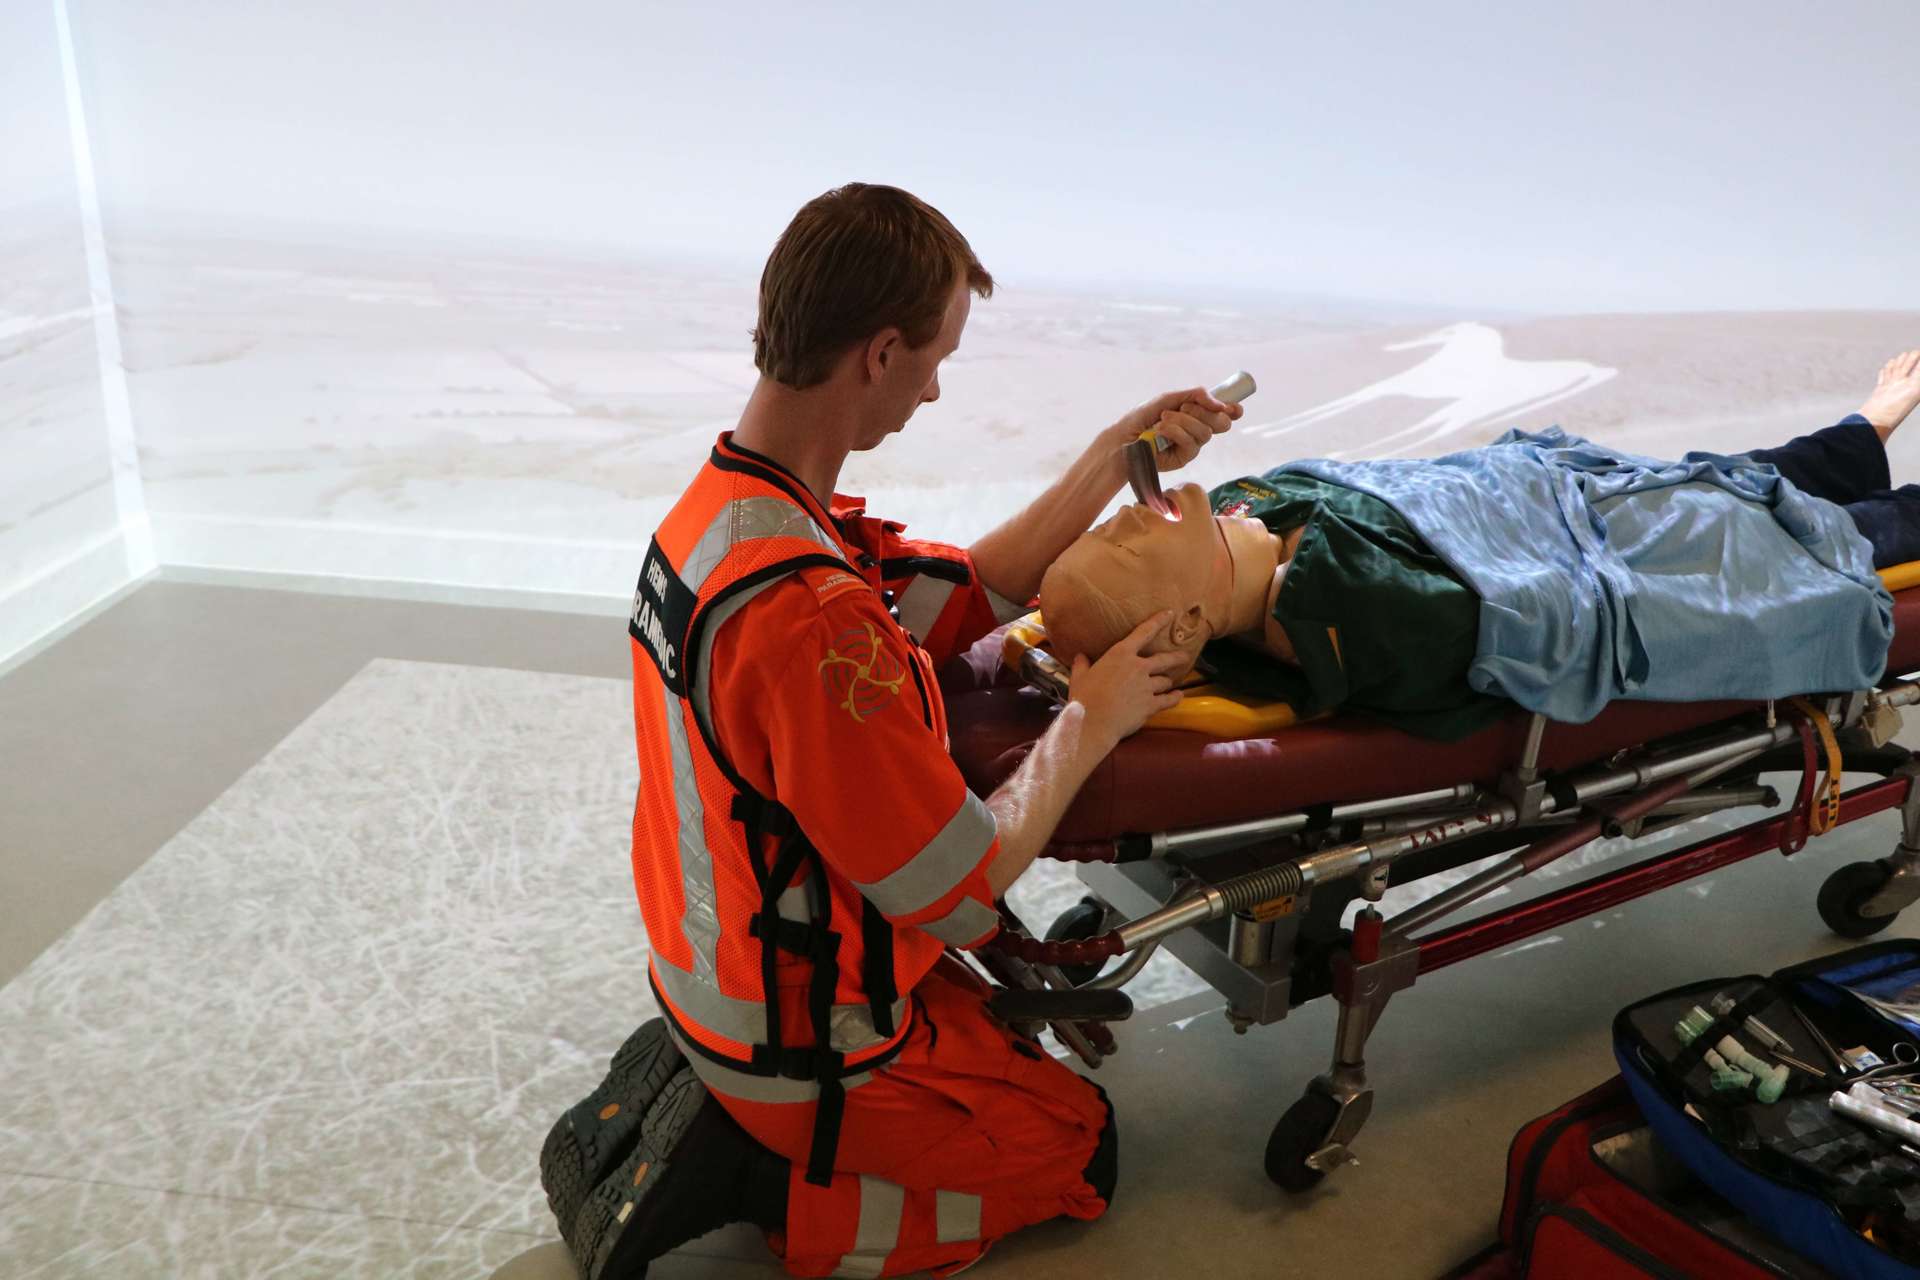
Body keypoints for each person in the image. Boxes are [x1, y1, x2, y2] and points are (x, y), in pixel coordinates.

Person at [539, 182, 1242, 1279]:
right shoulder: (809, 614)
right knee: (1081, 1149)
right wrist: (1092, 719)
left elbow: (963, 592)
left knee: (999, 1050)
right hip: (805, 1037)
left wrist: (1117, 453)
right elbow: (959, 885)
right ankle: (783, 1184)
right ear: (878, 353)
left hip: (723, 970)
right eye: (934, 359)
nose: (933, 388)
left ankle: (755, 1105)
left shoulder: (725, 516)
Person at [1038, 349, 1920, 739]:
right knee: (1804, 529)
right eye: (1122, 547)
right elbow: (1540, 611)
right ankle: (1869, 453)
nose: (1117, 516)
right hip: (1637, 554)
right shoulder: (1351, 621)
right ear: (1188, 624)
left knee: (1727, 474)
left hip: (1585, 496)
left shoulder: (1241, 514)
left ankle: (1868, 425)